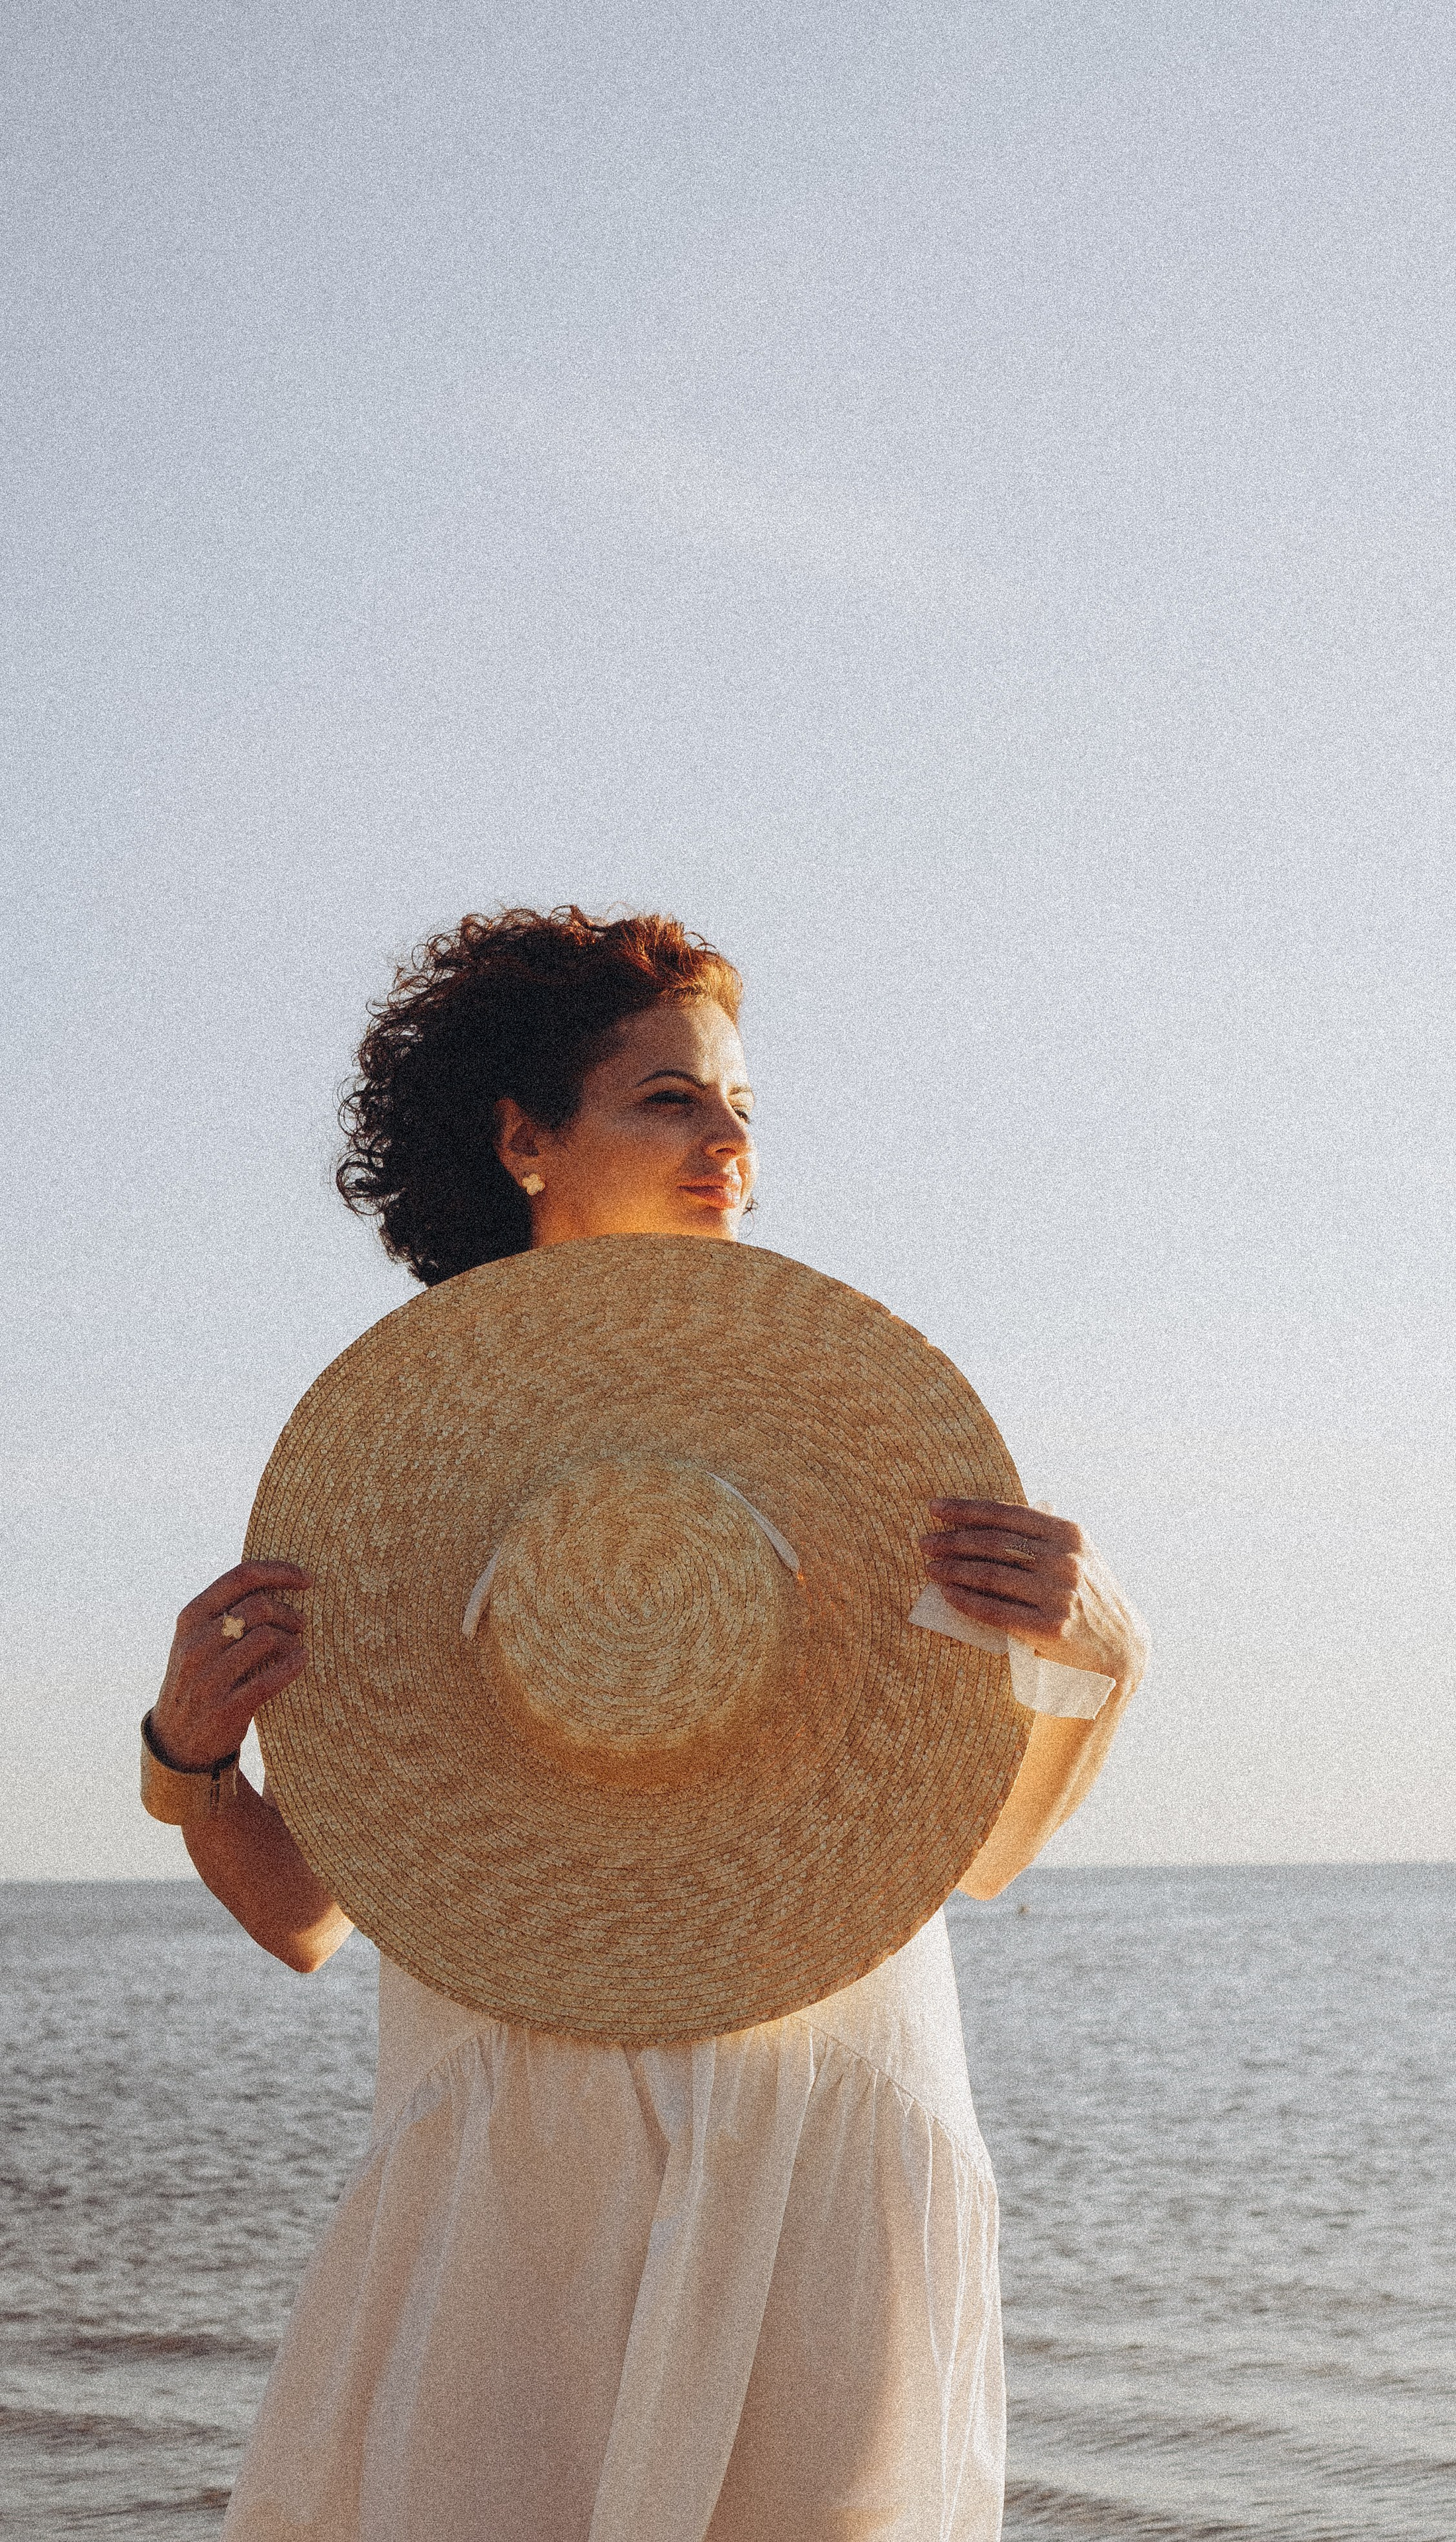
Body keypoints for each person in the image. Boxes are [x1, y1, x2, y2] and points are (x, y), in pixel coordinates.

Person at [147, 906, 1148, 2542]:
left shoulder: (865, 1448)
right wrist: (187, 1762)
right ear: (524, 1140)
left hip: (828, 2126)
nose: (731, 1140)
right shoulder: (395, 1489)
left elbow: (967, 1858)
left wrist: (1096, 1651)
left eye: (740, 1104)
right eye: (670, 1098)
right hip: (519, 2175)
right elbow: (307, 1915)